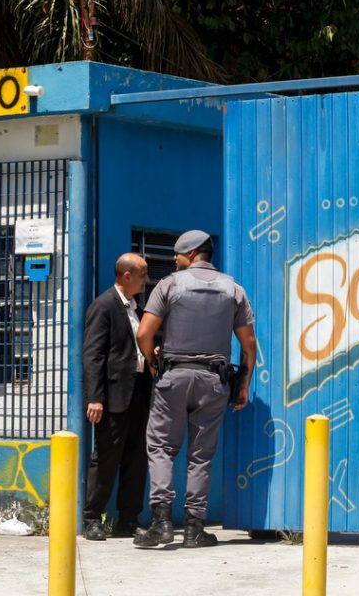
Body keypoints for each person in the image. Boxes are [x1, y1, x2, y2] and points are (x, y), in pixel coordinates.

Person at [133, 230, 256, 549]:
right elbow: (249, 344)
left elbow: (144, 332)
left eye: (177, 254)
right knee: (201, 457)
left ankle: (161, 522)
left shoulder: (170, 284)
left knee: (160, 447)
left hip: (173, 376)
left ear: (191, 254)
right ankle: (193, 528)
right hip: (214, 381)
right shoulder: (234, 289)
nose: (173, 259)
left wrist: (151, 361)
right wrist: (243, 384)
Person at [81, 253, 152, 541]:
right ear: (127, 276)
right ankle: (92, 519)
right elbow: (93, 354)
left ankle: (128, 519)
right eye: (143, 274)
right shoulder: (104, 306)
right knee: (107, 458)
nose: (146, 279)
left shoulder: (137, 308)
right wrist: (95, 397)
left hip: (138, 393)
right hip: (112, 396)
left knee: (136, 458)